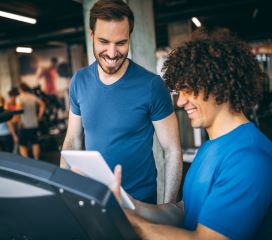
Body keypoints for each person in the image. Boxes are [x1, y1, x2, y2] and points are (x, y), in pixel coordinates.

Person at [112, 29, 272, 240]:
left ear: (219, 84)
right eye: (179, 92)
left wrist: (130, 222)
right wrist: (127, 204)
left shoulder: (249, 160)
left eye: (188, 89)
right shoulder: (211, 146)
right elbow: (183, 212)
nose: (179, 102)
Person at [61, 0, 182, 204]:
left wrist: (168, 208)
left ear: (129, 38)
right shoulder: (79, 81)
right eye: (104, 42)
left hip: (140, 203)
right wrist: (63, 190)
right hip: (95, 199)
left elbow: (172, 150)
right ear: (92, 36)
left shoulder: (152, 86)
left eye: (120, 43)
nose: (111, 53)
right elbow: (72, 140)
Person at [16, 83, 45, 160]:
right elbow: (42, 104)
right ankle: (36, 159)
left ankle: (26, 161)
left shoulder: (19, 98)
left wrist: (18, 120)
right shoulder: (33, 97)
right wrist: (39, 116)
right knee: (35, 142)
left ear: (20, 89)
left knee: (22, 144)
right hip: (34, 123)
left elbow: (18, 111)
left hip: (24, 124)